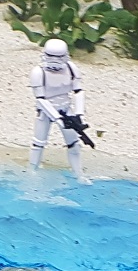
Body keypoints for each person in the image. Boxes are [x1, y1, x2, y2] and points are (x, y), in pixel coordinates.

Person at [28, 38, 92, 185]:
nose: (55, 61)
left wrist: (79, 114)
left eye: (59, 57)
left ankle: (78, 174)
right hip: (46, 111)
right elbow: (40, 98)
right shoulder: (38, 72)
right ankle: (32, 171)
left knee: (74, 143)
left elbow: (78, 91)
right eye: (51, 56)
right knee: (38, 143)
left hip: (66, 108)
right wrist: (57, 118)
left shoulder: (71, 68)